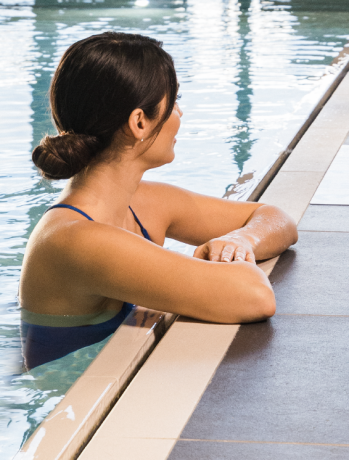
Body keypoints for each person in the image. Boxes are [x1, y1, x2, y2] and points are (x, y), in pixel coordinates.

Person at [19, 31, 298, 370]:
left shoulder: (145, 201)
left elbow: (276, 219)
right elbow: (255, 296)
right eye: (174, 101)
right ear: (139, 122)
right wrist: (230, 263)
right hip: (70, 411)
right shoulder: (75, 239)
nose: (180, 114)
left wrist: (240, 239)